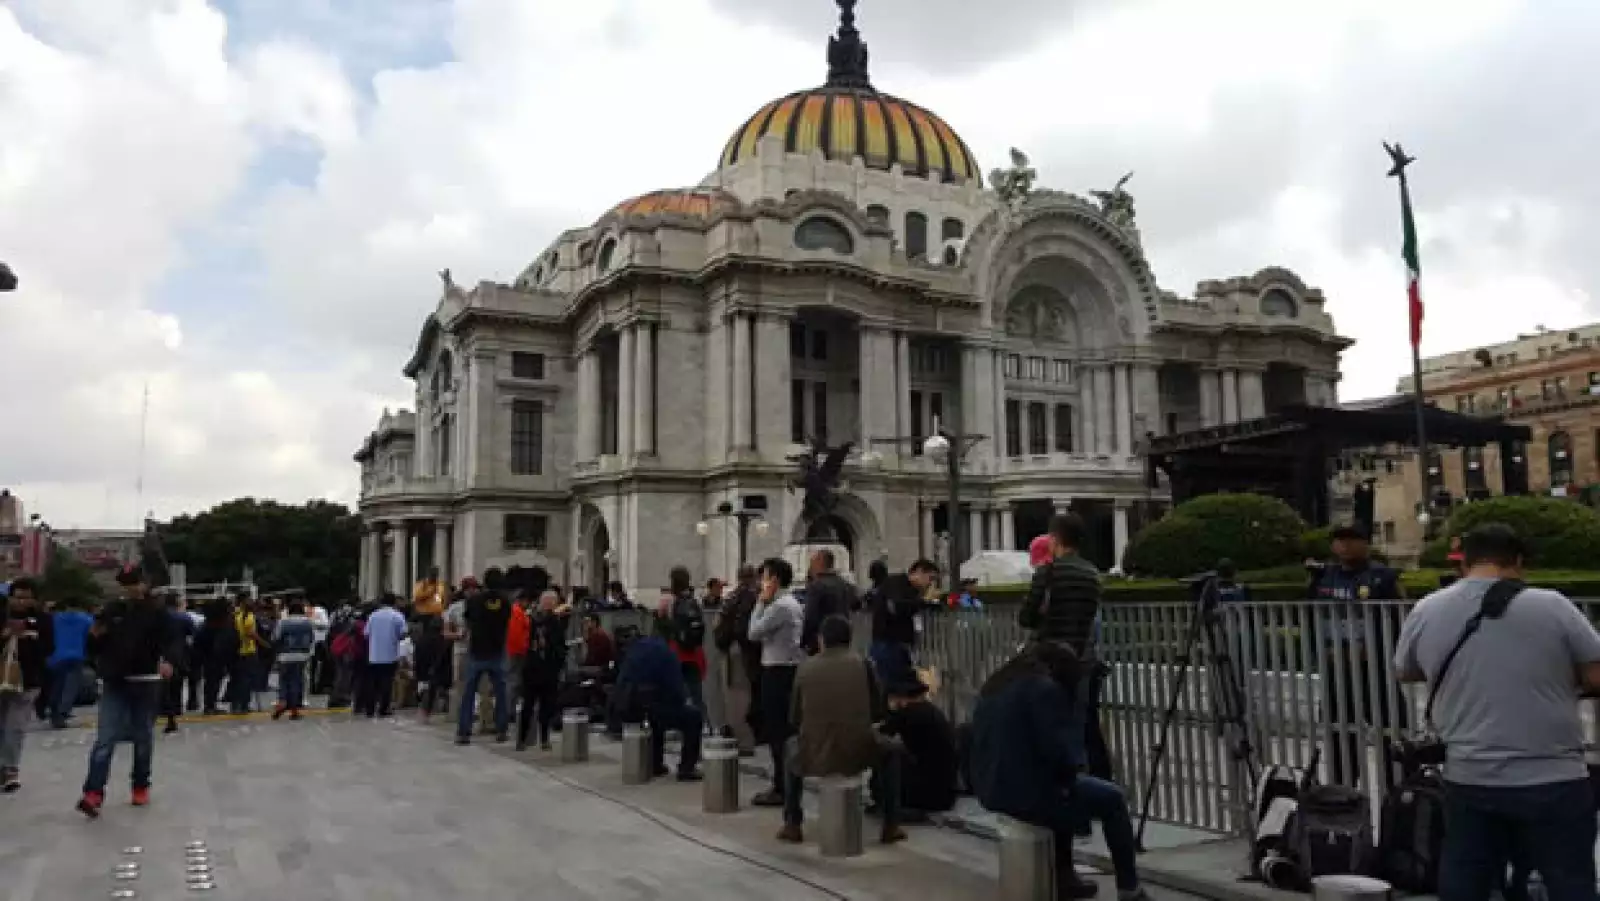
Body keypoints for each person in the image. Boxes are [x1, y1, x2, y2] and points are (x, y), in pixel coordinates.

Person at [1395, 523, 1600, 901]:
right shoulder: (1552, 605)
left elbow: (1406, 670)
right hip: (1553, 777)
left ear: (1464, 563)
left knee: (1466, 881)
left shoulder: (1427, 609)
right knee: (1570, 882)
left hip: (1469, 777)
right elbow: (1596, 674)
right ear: (1518, 562)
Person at [970, 642, 1148, 901]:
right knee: (1112, 799)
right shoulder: (1044, 690)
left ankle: (1064, 876)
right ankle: (1129, 889)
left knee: (1065, 790)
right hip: (1026, 793)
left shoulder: (995, 687)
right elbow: (1060, 754)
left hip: (991, 788)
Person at [779, 615, 906, 845]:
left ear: (821, 640)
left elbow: (794, 717)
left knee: (789, 748)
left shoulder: (805, 668)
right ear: (849, 639)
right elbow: (878, 710)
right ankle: (891, 824)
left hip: (814, 752)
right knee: (891, 750)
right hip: (858, 751)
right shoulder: (864, 664)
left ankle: (792, 823)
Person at [76, 566, 181, 818]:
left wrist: (169, 661)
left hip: (146, 680)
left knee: (142, 737)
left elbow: (173, 642)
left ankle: (140, 784)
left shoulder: (159, 613)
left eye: (135, 582)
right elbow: (95, 644)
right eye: (126, 584)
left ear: (145, 583)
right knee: (105, 739)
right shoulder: (113, 611)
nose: (131, 588)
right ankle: (93, 792)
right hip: (116, 681)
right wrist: (95, 638)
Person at [1309, 523, 1406, 788]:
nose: (1345, 546)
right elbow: (1312, 616)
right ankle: (1343, 793)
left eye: (1352, 540)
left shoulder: (1382, 577)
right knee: (1340, 737)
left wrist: (1377, 648)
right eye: (1340, 540)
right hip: (1337, 673)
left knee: (1391, 733)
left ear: (1365, 544)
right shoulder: (1324, 577)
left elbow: (1399, 618)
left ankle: (1396, 792)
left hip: (1375, 670)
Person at [1020, 513, 1102, 765]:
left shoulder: (1048, 572)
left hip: (1049, 658)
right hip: (1080, 658)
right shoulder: (1092, 574)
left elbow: (1027, 617)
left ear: (1054, 540)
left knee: (1047, 721)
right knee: (1077, 721)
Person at [747, 557, 805, 807]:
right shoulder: (789, 604)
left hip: (778, 671)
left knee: (778, 731)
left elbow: (753, 632)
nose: (762, 583)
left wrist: (760, 601)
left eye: (765, 577)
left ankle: (783, 787)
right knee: (780, 730)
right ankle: (784, 784)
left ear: (775, 579)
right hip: (784, 669)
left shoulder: (780, 606)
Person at [614, 625, 703, 781]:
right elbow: (675, 687)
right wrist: (683, 700)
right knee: (693, 718)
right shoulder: (665, 652)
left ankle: (655, 764)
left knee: (656, 719)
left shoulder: (633, 652)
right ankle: (686, 768)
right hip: (655, 706)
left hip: (629, 707)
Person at [880, 676, 958, 817]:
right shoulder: (932, 712)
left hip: (927, 796)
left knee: (887, 759)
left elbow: (879, 735)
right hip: (946, 795)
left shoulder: (908, 714)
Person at [1, 578, 52, 792]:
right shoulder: (1, 616)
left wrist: (26, 638)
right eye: (17, 597)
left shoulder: (42, 620)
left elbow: (49, 648)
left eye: (26, 597)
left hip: (29, 681)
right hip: (1, 679)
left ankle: (10, 769)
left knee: (15, 726)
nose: (21, 602)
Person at [713, 565, 762, 754]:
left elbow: (718, 623)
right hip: (745, 650)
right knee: (745, 697)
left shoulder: (731, 597)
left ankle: (740, 739)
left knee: (734, 697)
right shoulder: (754, 596)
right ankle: (747, 742)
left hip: (731, 649)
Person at [457, 575, 512, 745]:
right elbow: (507, 622)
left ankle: (464, 732)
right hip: (497, 651)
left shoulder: (474, 601)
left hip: (477, 651)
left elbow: (467, 622)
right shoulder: (505, 602)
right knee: (501, 692)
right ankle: (502, 729)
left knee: (469, 693)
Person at [868, 558, 938, 688]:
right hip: (888, 645)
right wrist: (923, 603)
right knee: (890, 686)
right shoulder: (896, 584)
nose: (930, 584)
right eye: (930, 578)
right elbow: (896, 607)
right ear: (919, 572)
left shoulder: (912, 592)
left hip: (901, 645)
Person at [517, 590, 571, 751]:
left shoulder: (554, 621)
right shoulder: (531, 619)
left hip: (548, 669)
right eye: (551, 602)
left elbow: (559, 646)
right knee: (529, 704)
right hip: (533, 668)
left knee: (547, 706)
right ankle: (523, 738)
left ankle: (544, 737)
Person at [661, 566, 707, 713]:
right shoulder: (694, 601)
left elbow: (672, 627)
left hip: (680, 652)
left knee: (680, 690)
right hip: (694, 653)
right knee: (695, 691)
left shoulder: (677, 603)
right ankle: (699, 722)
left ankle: (683, 724)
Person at [46, 596, 93, 729]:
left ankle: (54, 709)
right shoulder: (86, 619)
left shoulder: (55, 618)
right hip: (77, 655)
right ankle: (63, 712)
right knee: (71, 686)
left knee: (57, 685)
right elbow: (91, 635)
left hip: (57, 656)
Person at [359, 594, 406, 718]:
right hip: (390, 654)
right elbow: (403, 634)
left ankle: (370, 708)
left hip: (374, 654)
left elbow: (366, 634)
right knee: (387, 682)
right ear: (394, 602)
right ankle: (383, 709)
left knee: (372, 683)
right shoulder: (397, 616)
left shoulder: (373, 616)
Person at [800, 549, 855, 654]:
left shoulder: (817, 586)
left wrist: (805, 642)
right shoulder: (845, 584)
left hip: (821, 641)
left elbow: (810, 617)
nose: (811, 566)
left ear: (820, 562)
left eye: (812, 562)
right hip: (843, 638)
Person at [272, 600, 315, 721]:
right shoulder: (308, 622)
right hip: (302, 656)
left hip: (285, 656)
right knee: (297, 681)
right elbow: (311, 638)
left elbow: (276, 637)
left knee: (284, 681)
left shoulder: (283, 622)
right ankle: (294, 710)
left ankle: (282, 702)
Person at [160, 592, 195, 734]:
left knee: (163, 685)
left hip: (162, 654)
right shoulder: (183, 617)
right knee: (177, 683)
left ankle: (165, 709)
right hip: (179, 654)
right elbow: (191, 633)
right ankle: (176, 708)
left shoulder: (159, 617)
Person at [229, 593, 260, 714]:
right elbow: (251, 633)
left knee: (237, 678)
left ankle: (235, 704)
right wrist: (264, 643)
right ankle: (244, 704)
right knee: (247, 679)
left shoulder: (235, 615)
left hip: (237, 650)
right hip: (249, 651)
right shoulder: (250, 617)